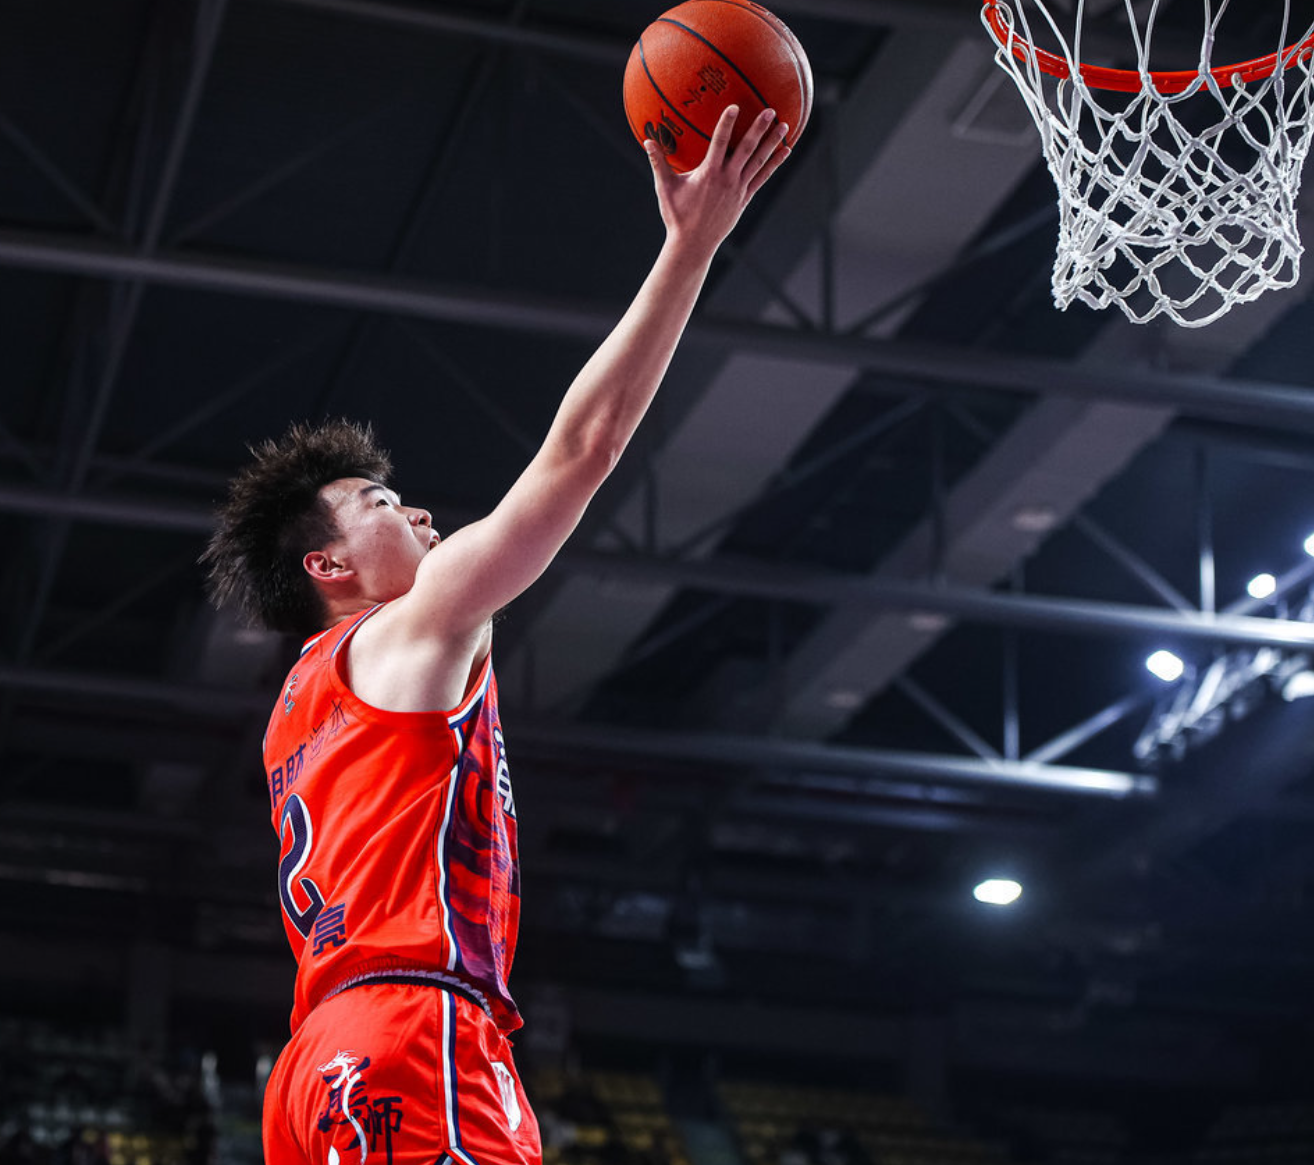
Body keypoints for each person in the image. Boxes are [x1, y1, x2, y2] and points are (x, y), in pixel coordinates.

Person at [202, 105, 790, 1165]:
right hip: (409, 1029)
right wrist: (692, 245)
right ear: (328, 568)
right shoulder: (414, 625)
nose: (420, 511)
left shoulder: (297, 709)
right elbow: (584, 447)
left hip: (315, 1062)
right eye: (383, 503)